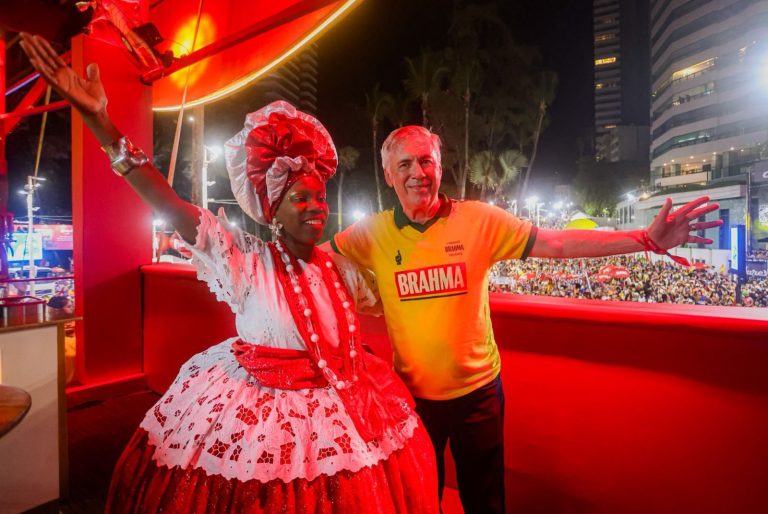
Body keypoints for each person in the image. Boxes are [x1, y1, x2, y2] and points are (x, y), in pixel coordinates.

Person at [20, 33, 437, 513]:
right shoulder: (246, 260)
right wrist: (100, 121)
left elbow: (400, 299)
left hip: (344, 411)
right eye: (300, 198)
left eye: (320, 197)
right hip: (264, 417)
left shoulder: (341, 270)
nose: (316, 207)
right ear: (274, 211)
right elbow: (170, 205)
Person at [328, 125, 723, 513]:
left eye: (426, 161)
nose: (418, 172)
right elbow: (316, 259)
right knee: (421, 501)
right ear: (388, 175)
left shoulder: (478, 220)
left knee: (486, 503)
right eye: (405, 164)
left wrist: (645, 240)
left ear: (439, 167)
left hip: (478, 396)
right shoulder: (371, 233)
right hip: (413, 401)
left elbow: (557, 243)